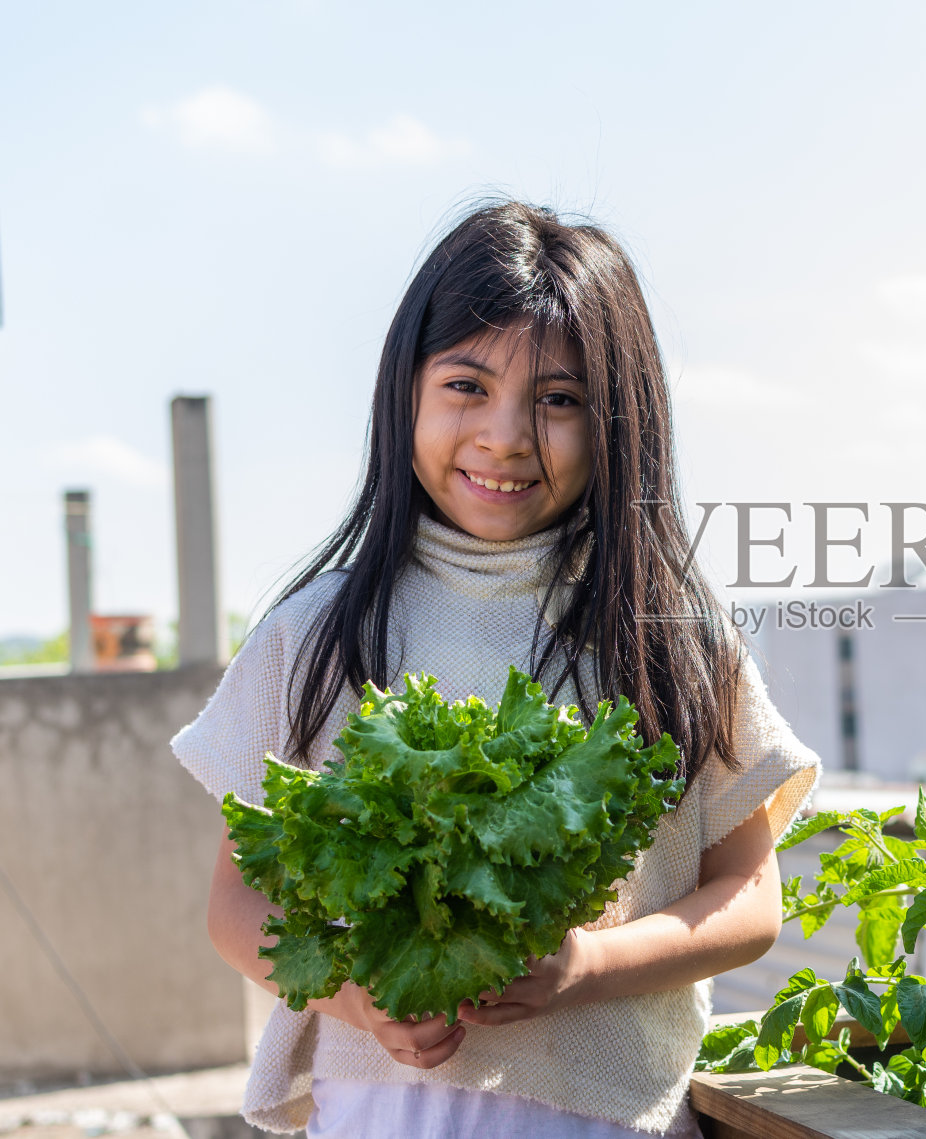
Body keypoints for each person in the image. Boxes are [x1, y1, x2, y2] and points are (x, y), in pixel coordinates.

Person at [172, 201, 821, 1138]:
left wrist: (586, 967)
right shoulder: (316, 632)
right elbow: (237, 900)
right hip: (373, 1114)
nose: (507, 436)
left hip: (605, 1116)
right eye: (467, 385)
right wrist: (362, 996)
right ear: (406, 391)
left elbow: (751, 900)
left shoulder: (669, 636)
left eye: (559, 400)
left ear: (620, 421)